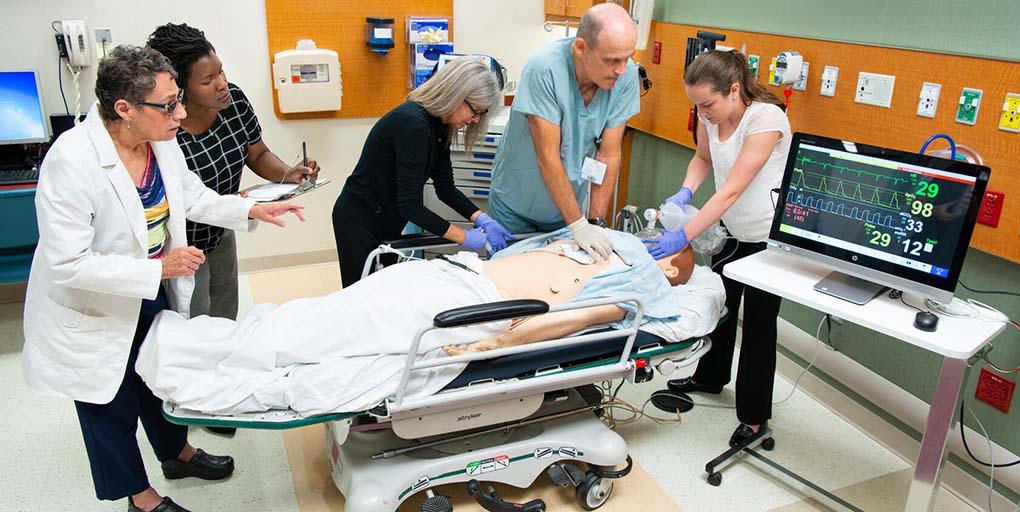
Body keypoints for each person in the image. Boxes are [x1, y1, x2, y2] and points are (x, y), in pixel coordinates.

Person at [21, 45, 305, 512]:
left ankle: (177, 453)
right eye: (169, 104)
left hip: (147, 291)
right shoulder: (71, 162)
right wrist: (160, 268)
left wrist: (251, 207)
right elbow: (68, 263)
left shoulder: (160, 141)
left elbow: (190, 195)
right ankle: (141, 497)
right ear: (125, 109)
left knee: (159, 375)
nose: (181, 113)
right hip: (93, 304)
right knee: (109, 403)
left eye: (178, 100)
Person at [136, 228, 695, 417]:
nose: (652, 249)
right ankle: (206, 345)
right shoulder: (605, 241)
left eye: (666, 257)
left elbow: (573, 321)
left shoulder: (636, 286)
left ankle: (198, 352)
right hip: (452, 276)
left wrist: (494, 343)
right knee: (325, 317)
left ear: (669, 268)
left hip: (466, 309)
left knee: (327, 335)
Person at [645, 49, 791, 448]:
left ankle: (755, 419)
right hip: (731, 228)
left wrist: (684, 235)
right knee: (721, 303)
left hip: (767, 238)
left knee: (759, 325)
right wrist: (685, 190)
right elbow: (703, 157)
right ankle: (710, 377)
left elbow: (731, 189)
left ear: (734, 89)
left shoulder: (766, 120)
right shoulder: (710, 116)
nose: (702, 113)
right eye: (697, 105)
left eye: (707, 104)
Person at [147, 23, 321, 321]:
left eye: (221, 72)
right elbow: (185, 198)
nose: (222, 84)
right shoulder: (166, 133)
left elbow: (258, 153)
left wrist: (288, 173)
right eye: (208, 80)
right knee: (195, 320)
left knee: (226, 314)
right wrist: (243, 205)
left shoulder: (234, 103)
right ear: (180, 90)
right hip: (184, 243)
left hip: (222, 229)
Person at [332, 57, 514, 287]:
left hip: (387, 218)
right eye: (475, 111)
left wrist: (482, 218)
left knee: (382, 291)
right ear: (457, 94)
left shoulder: (439, 125)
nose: (475, 120)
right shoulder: (413, 124)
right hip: (359, 218)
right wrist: (464, 237)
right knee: (359, 295)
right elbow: (410, 206)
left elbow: (445, 188)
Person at [488, 2, 640, 262]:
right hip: (516, 209)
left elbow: (609, 155)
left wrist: (595, 222)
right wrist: (579, 226)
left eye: (627, 58)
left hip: (565, 214)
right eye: (612, 60)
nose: (621, 69)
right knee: (512, 289)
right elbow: (548, 156)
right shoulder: (544, 69)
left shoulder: (625, 77)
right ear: (581, 48)